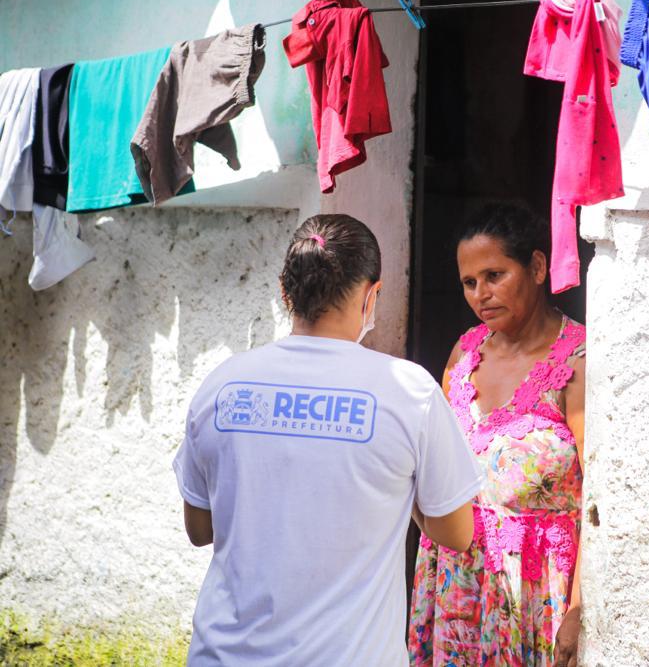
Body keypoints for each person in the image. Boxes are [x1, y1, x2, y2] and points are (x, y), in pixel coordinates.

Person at [173, 214, 482, 666]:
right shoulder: (408, 392)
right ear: (371, 295)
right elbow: (456, 532)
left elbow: (199, 530)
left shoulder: (224, 386)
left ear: (285, 292)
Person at [408, 204, 587, 667]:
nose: (481, 294)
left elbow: (598, 499)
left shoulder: (578, 362)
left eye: (494, 275)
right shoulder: (464, 354)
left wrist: (578, 608)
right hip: (455, 587)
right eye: (469, 282)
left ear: (538, 266)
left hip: (534, 594)